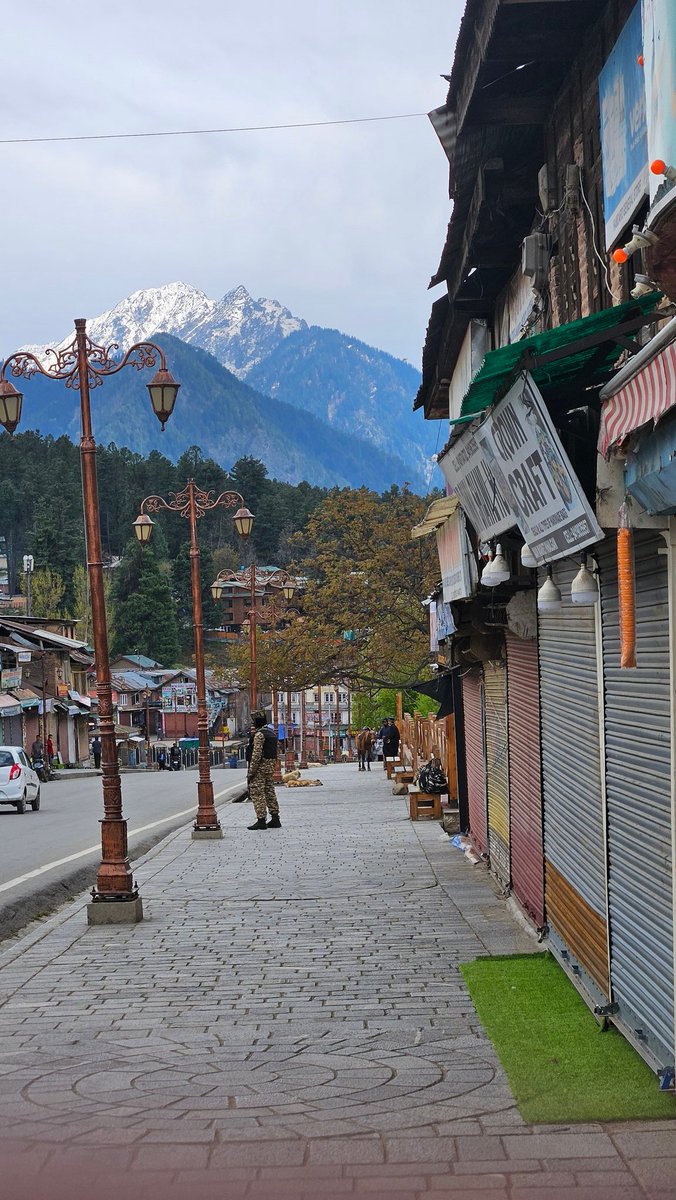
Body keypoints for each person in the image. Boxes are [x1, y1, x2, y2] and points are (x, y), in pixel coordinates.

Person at [246, 710, 281, 830]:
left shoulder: (259, 735)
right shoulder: (271, 733)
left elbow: (256, 755)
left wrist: (251, 772)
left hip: (260, 768)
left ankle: (261, 820)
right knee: (269, 791)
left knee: (257, 793)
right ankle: (275, 818)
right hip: (270, 767)